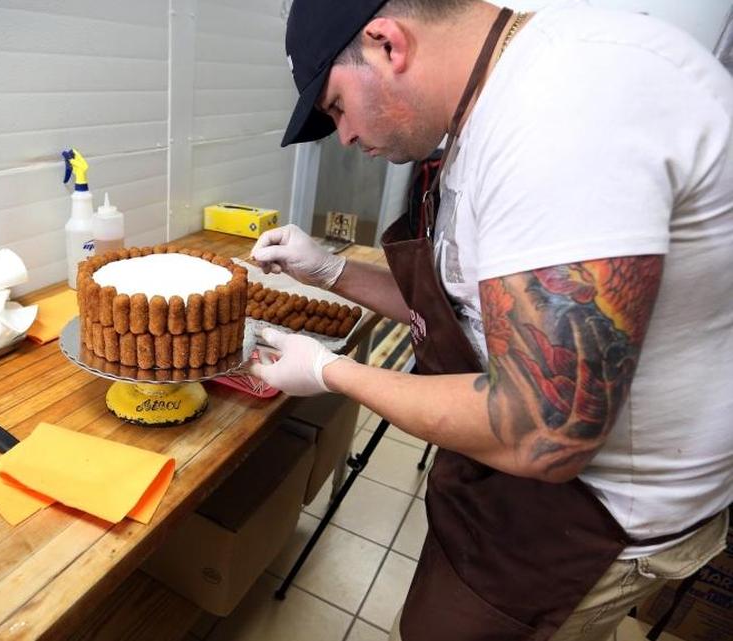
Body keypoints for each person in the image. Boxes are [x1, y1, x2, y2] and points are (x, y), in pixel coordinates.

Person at [249, 1, 733, 640]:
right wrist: (333, 272)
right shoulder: (488, 106)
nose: (343, 136)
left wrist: (330, 371)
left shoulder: (567, 108)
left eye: (337, 107)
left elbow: (545, 431)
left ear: (388, 44)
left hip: (593, 514)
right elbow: (467, 310)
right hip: (514, 480)